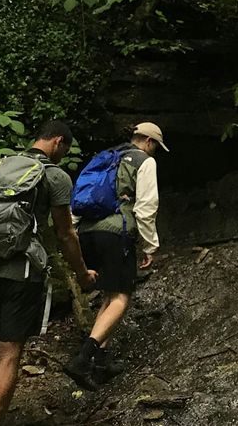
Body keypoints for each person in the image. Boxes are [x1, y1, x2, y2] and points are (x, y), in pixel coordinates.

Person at [0, 120, 97, 426]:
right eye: (65, 149)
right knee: (10, 352)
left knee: (1, 348)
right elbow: (65, 235)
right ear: (58, 141)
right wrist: (82, 273)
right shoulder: (55, 176)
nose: (63, 154)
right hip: (21, 271)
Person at [64, 122, 167, 389]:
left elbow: (80, 195)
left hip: (86, 231)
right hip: (115, 233)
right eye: (155, 147)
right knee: (122, 298)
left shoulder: (107, 156)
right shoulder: (144, 161)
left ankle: (101, 361)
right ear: (149, 142)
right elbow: (145, 207)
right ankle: (83, 358)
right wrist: (149, 245)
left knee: (110, 295)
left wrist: (74, 232)